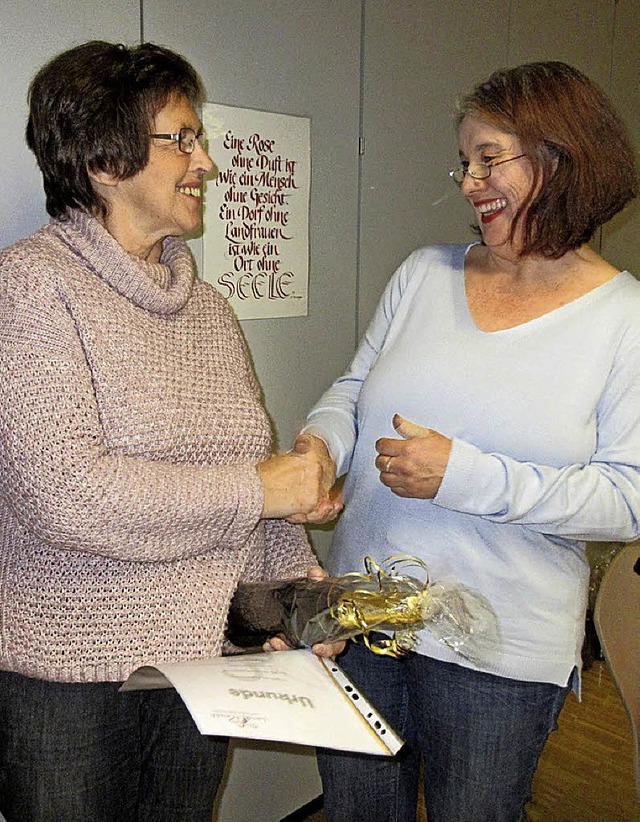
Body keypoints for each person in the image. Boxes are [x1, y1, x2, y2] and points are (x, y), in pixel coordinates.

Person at [294, 61, 640, 821]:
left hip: (499, 651)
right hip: (361, 613)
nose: (468, 181)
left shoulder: (623, 319)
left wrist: (466, 476)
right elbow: (353, 392)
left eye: (491, 159)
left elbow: (627, 499)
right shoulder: (423, 275)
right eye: (465, 161)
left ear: (562, 158)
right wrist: (322, 448)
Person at [0, 41, 328, 822]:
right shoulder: (31, 286)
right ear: (106, 161)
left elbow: (259, 482)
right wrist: (257, 487)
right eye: (181, 138)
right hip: (66, 678)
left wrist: (297, 600)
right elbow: (65, 495)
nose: (205, 162)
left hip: (197, 658)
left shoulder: (209, 308)